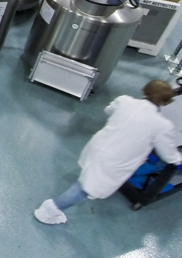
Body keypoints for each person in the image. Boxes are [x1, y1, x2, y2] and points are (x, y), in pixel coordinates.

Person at [34, 80, 182, 225]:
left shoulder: (124, 101)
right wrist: (178, 160)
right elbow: (168, 154)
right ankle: (50, 210)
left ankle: (55, 206)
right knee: (84, 189)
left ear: (144, 89)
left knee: (88, 176)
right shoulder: (162, 125)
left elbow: (109, 110)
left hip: (99, 147)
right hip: (114, 162)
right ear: (165, 101)